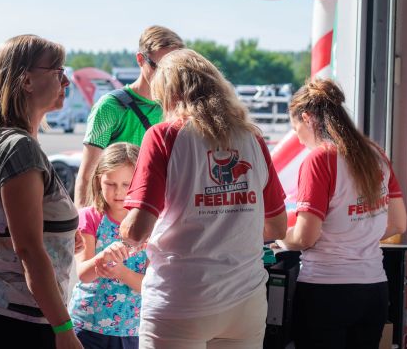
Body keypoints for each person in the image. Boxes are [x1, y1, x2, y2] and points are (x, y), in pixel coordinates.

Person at [119, 49, 288, 349]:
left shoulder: (163, 136)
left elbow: (136, 231)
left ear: (169, 94)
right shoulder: (253, 138)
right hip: (244, 300)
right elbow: (276, 228)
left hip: (181, 298)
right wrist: (228, 221)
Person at [0, 35, 85, 349]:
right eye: (58, 72)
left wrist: (61, 233)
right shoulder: (19, 149)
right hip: (23, 322)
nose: (67, 81)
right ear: (27, 80)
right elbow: (29, 251)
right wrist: (64, 330)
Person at [277, 78, 407, 349]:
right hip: (374, 289)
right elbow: (398, 223)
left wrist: (279, 240)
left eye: (296, 128)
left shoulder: (319, 159)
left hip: (326, 291)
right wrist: (356, 234)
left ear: (307, 118)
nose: (299, 140)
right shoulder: (376, 154)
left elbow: (304, 237)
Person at [74, 26, 184, 207]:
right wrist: (84, 225)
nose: (166, 75)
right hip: (114, 215)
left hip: (158, 215)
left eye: (173, 69)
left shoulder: (177, 107)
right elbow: (87, 175)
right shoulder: (110, 106)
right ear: (140, 60)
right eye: (159, 67)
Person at [69, 142, 145, 348]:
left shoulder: (148, 224)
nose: (118, 192)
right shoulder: (89, 217)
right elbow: (83, 273)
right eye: (110, 184)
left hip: (132, 330)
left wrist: (119, 271)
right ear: (98, 181)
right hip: (87, 325)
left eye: (126, 184)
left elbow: (149, 285)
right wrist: (102, 258)